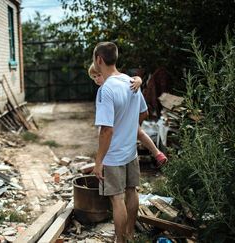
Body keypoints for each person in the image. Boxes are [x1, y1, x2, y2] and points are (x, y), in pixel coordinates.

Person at [91, 41, 147, 242]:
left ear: (99, 60)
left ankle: (120, 241)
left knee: (117, 199)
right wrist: (130, 128)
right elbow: (144, 112)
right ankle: (130, 234)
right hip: (131, 151)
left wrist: (98, 162)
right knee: (131, 192)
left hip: (114, 155)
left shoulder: (106, 90)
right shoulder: (131, 81)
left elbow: (106, 130)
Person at [88, 63, 168, 167]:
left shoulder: (107, 89)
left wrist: (139, 80)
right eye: (94, 77)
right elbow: (144, 112)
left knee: (139, 133)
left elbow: (135, 79)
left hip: (118, 132)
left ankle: (157, 153)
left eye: (99, 75)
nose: (97, 79)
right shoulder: (113, 86)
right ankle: (157, 153)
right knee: (140, 133)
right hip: (125, 125)